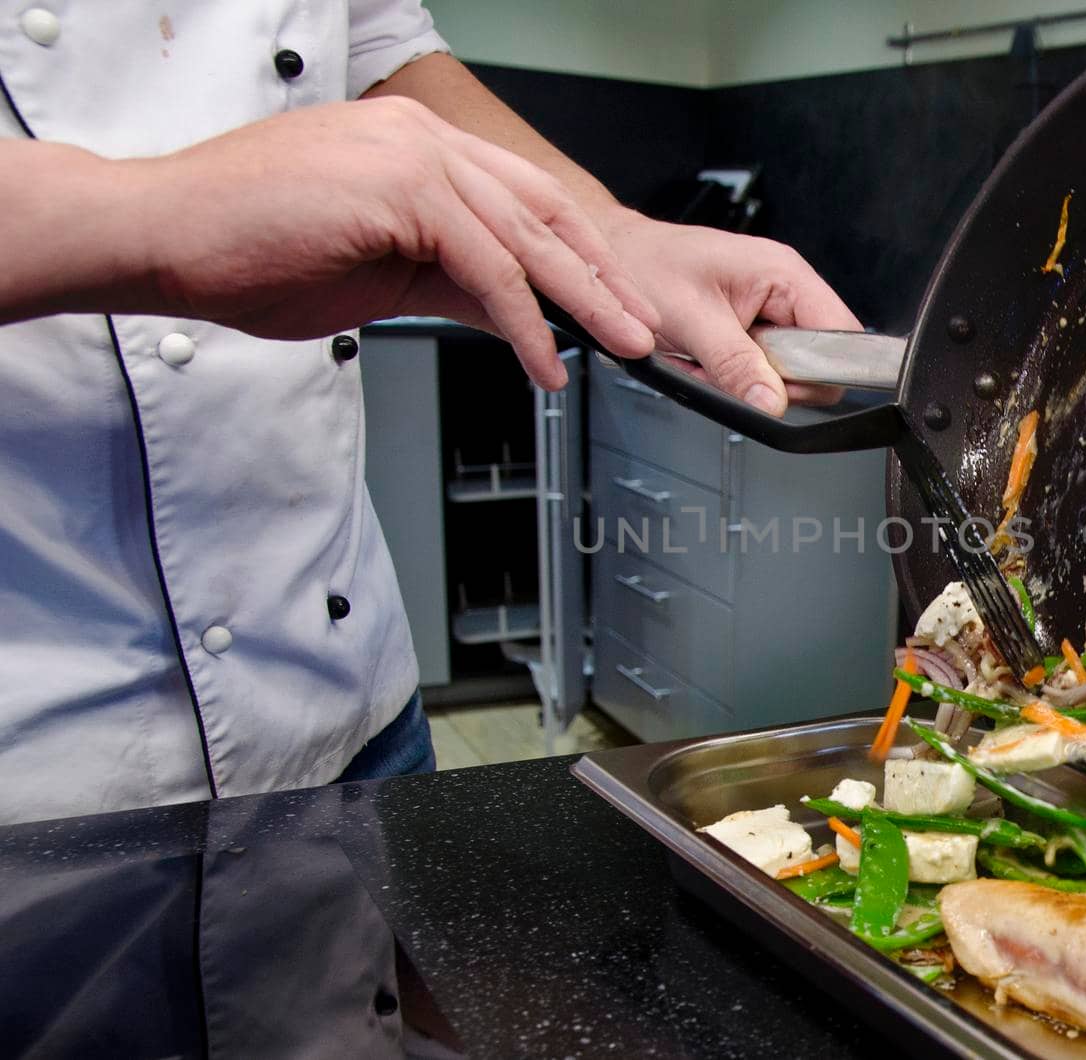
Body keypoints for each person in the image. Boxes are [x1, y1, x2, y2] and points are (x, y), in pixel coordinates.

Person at [0, 1, 861, 825]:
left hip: (353, 714)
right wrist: (151, 217)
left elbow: (384, 46)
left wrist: (609, 238)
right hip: (44, 764)